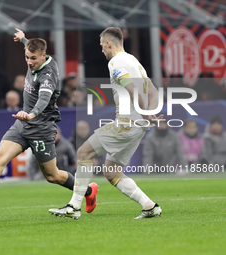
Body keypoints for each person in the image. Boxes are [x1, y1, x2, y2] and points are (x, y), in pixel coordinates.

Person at [0, 28, 97, 214]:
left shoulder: (48, 75)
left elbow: (43, 99)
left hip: (41, 128)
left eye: (33, 58)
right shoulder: (35, 53)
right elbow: (30, 46)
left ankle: (89, 191)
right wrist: (23, 39)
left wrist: (32, 114)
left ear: (44, 56)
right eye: (27, 57)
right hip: (22, 123)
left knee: (52, 175)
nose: (29, 62)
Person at [49, 27, 163, 219]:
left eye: (102, 46)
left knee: (83, 152)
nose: (102, 50)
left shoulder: (116, 62)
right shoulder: (134, 61)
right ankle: (149, 206)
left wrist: (144, 113)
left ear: (109, 43)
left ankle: (74, 207)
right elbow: (153, 92)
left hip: (127, 123)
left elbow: (132, 89)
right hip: (140, 126)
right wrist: (149, 113)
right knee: (111, 171)